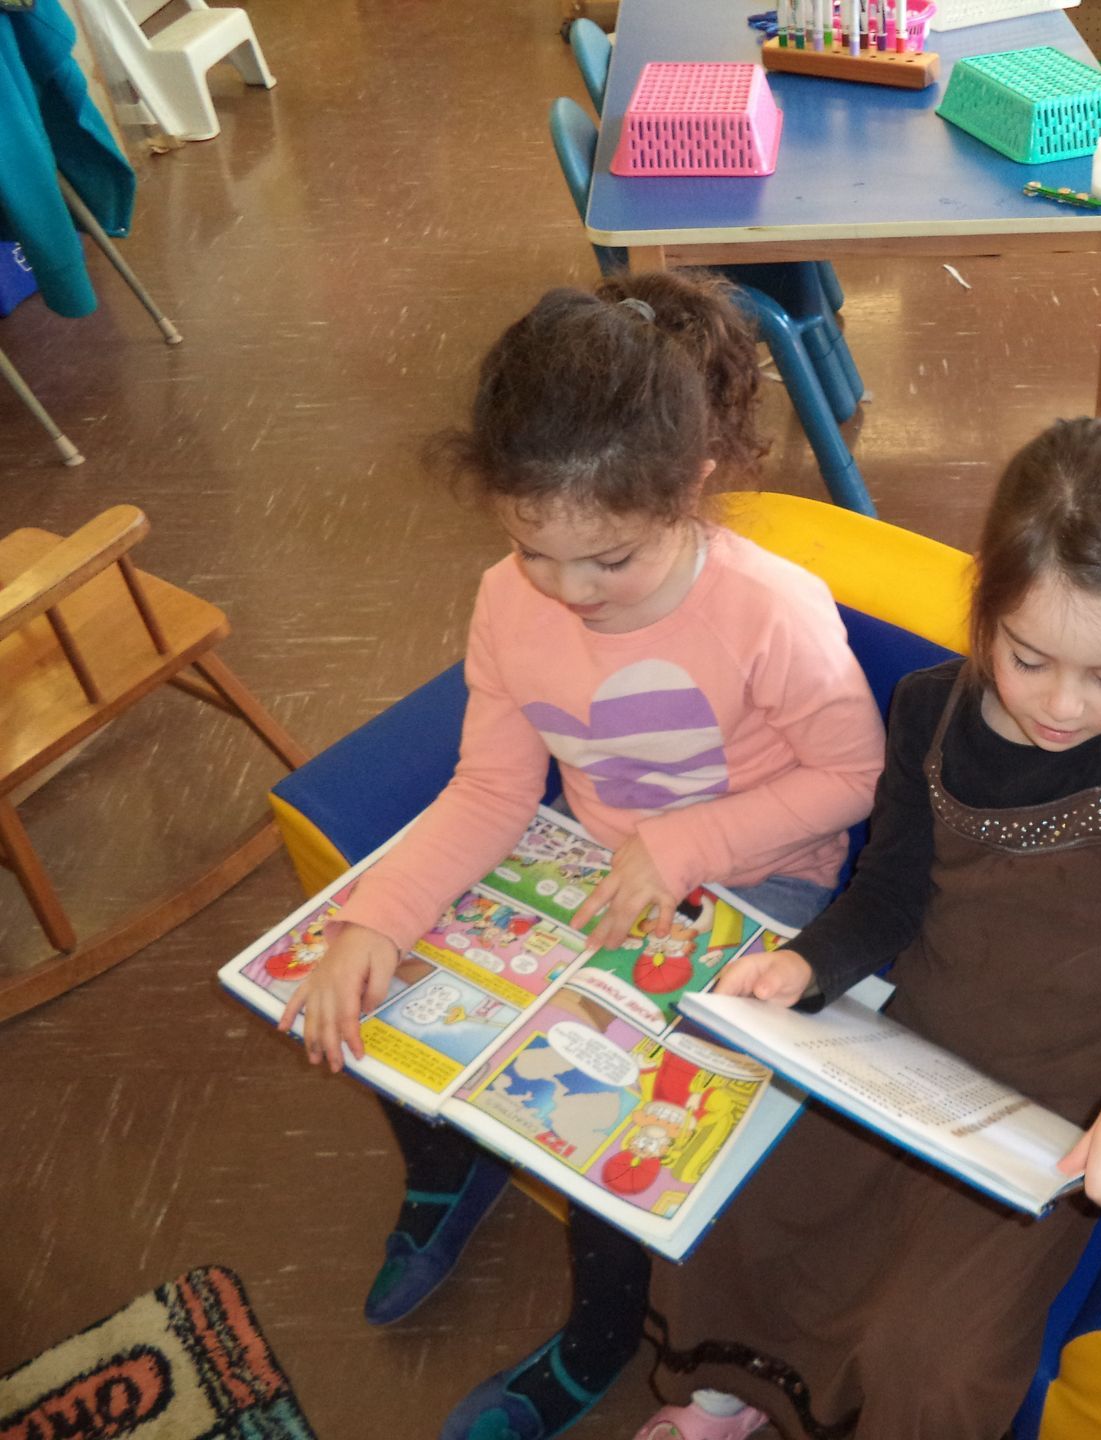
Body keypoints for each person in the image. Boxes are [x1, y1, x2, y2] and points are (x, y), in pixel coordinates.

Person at [278, 270, 887, 1440]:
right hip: (576, 860)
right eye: (532, 549)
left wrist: (682, 844)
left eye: (609, 559)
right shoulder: (508, 601)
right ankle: (448, 1168)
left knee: (611, 1114)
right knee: (391, 983)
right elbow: (495, 785)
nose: (568, 591)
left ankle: (604, 1333)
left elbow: (851, 780)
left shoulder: (770, 608)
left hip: (754, 884)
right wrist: (378, 917)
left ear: (691, 487)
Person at [638, 417, 1101, 1440]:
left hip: (1061, 1105)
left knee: (938, 1355)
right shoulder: (928, 710)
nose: (1061, 705)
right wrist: (807, 962)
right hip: (904, 1048)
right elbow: (890, 891)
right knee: (733, 1201)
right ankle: (731, 1400)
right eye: (1029, 657)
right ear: (985, 601)